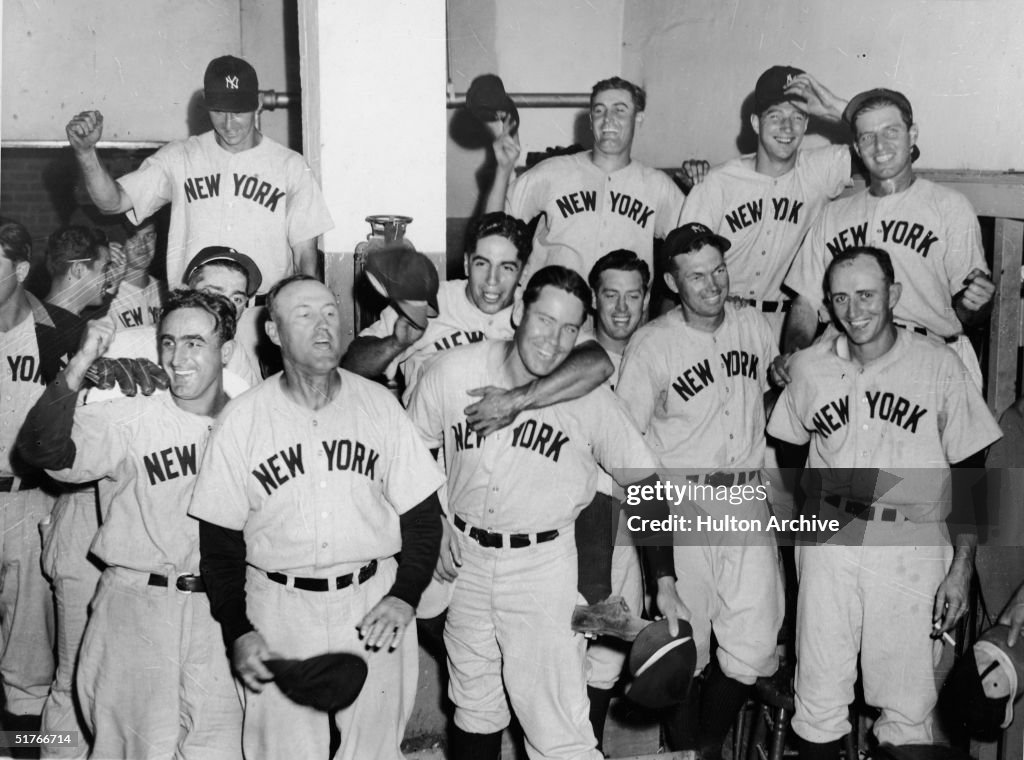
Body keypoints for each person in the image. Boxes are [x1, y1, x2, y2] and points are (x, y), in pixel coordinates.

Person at [407, 265, 686, 760]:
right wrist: (436, 520)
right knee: (473, 704)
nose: (553, 340)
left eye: (568, 329)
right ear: (517, 312)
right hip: (464, 560)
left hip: (541, 568)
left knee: (558, 730)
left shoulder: (591, 401)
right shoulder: (451, 373)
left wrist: (664, 582)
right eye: (543, 320)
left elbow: (644, 484)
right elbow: (409, 455)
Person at [189, 275, 445, 760]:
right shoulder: (242, 419)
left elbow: (423, 519)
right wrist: (238, 630)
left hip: (373, 602)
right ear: (274, 332)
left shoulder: (380, 407)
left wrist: (404, 597)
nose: (323, 325)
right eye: (304, 315)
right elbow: (219, 546)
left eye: (330, 312)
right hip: (278, 608)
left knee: (374, 753)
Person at [767, 247, 1001, 757]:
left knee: (907, 709)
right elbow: (787, 456)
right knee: (818, 700)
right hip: (831, 544)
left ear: (894, 295)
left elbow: (970, 474)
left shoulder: (939, 366)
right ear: (827, 305)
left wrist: (961, 565)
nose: (855, 311)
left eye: (867, 295)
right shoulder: (807, 368)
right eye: (841, 299)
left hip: (911, 551)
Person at [17, 289, 245, 759]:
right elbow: (42, 451)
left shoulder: (252, 421)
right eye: (167, 342)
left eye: (194, 344)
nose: (177, 357)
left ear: (225, 351)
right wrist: (78, 367)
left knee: (219, 748)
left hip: (222, 611)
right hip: (139, 605)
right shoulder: (129, 415)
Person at [615, 222, 784, 759]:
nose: (713, 285)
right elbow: (627, 451)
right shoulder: (651, 344)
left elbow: (772, 406)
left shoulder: (755, 326)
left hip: (745, 497)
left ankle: (705, 744)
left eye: (718, 270)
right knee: (681, 645)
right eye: (696, 276)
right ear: (672, 281)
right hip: (682, 501)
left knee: (754, 643)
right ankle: (693, 749)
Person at [65, 54, 334, 358]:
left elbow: (305, 259)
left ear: (258, 103)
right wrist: (86, 154)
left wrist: (304, 325)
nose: (229, 123)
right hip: (189, 315)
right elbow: (112, 202)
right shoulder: (181, 156)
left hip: (258, 320)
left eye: (239, 111)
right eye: (219, 111)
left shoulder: (290, 166)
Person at [781, 88, 994, 388]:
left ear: (912, 135)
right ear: (856, 146)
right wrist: (794, 353)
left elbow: (969, 313)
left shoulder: (949, 206)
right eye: (867, 137)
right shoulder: (833, 215)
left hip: (929, 356)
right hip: (847, 358)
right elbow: (805, 303)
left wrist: (976, 303)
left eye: (891, 131)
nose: (880, 145)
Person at [678, 66, 851, 338]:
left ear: (807, 124)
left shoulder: (820, 170)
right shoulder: (717, 182)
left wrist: (836, 108)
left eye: (797, 116)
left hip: (789, 324)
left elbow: (889, 146)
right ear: (756, 123)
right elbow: (685, 265)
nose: (787, 127)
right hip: (721, 318)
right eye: (775, 116)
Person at [0, 221, 84, 736]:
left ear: (21, 270)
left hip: (28, 498)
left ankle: (23, 743)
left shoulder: (60, 332)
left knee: (27, 650)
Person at [484, 76, 684, 280]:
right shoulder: (553, 171)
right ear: (590, 120)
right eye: (599, 110)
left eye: (620, 109)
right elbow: (490, 229)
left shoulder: (657, 186)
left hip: (622, 309)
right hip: (551, 306)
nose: (608, 118)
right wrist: (503, 169)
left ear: (638, 118)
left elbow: (696, 249)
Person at [582, 249, 652, 752]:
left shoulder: (661, 349)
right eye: (611, 295)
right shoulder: (574, 351)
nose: (622, 308)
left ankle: (592, 746)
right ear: (593, 298)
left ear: (647, 298)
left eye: (633, 295)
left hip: (638, 512)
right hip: (582, 514)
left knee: (609, 647)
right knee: (569, 641)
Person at [342, 212, 526, 401]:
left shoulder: (534, 312)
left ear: (523, 271)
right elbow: (351, 366)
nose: (492, 280)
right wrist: (396, 342)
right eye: (481, 264)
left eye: (507, 267)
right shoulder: (428, 300)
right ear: (466, 264)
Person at [105, 218, 165, 329]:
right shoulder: (105, 296)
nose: (143, 245)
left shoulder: (165, 291)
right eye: (133, 237)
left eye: (149, 236)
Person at [43, 226, 114, 317]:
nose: (110, 278)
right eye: (104, 269)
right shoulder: (51, 328)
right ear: (78, 270)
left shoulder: (44, 319)